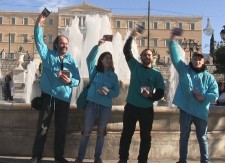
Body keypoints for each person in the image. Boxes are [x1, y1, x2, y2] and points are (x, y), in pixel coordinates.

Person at [29, 13, 80, 163]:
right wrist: (38, 24)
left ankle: (59, 157)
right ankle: (36, 156)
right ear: (56, 45)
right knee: (42, 128)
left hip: (64, 99)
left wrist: (70, 80)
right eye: (62, 43)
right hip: (48, 98)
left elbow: (77, 80)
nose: (64, 45)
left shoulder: (72, 61)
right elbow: (39, 41)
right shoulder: (48, 55)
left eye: (66, 44)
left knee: (61, 129)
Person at [169, 29, 219, 163]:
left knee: (202, 138)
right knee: (183, 136)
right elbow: (175, 57)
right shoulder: (183, 69)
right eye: (195, 58)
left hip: (201, 112)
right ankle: (182, 160)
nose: (197, 61)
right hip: (185, 110)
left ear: (203, 61)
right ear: (191, 60)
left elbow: (215, 94)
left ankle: (205, 161)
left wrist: (204, 97)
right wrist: (173, 40)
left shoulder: (209, 77)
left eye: (200, 59)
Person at [118, 30, 165, 163]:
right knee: (126, 134)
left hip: (147, 109)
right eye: (144, 55)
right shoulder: (135, 66)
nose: (147, 57)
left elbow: (161, 92)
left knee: (145, 136)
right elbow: (126, 51)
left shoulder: (157, 74)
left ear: (153, 57)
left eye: (149, 55)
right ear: (141, 57)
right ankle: (123, 159)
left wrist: (151, 97)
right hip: (131, 106)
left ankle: (142, 159)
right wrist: (131, 37)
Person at [74, 39, 120, 163]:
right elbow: (89, 59)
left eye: (110, 58)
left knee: (101, 132)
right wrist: (98, 46)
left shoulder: (114, 76)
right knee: (86, 131)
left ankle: (97, 157)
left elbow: (116, 92)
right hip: (91, 105)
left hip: (105, 106)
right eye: (107, 58)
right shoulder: (95, 71)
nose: (109, 60)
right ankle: (80, 157)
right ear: (101, 60)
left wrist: (108, 92)